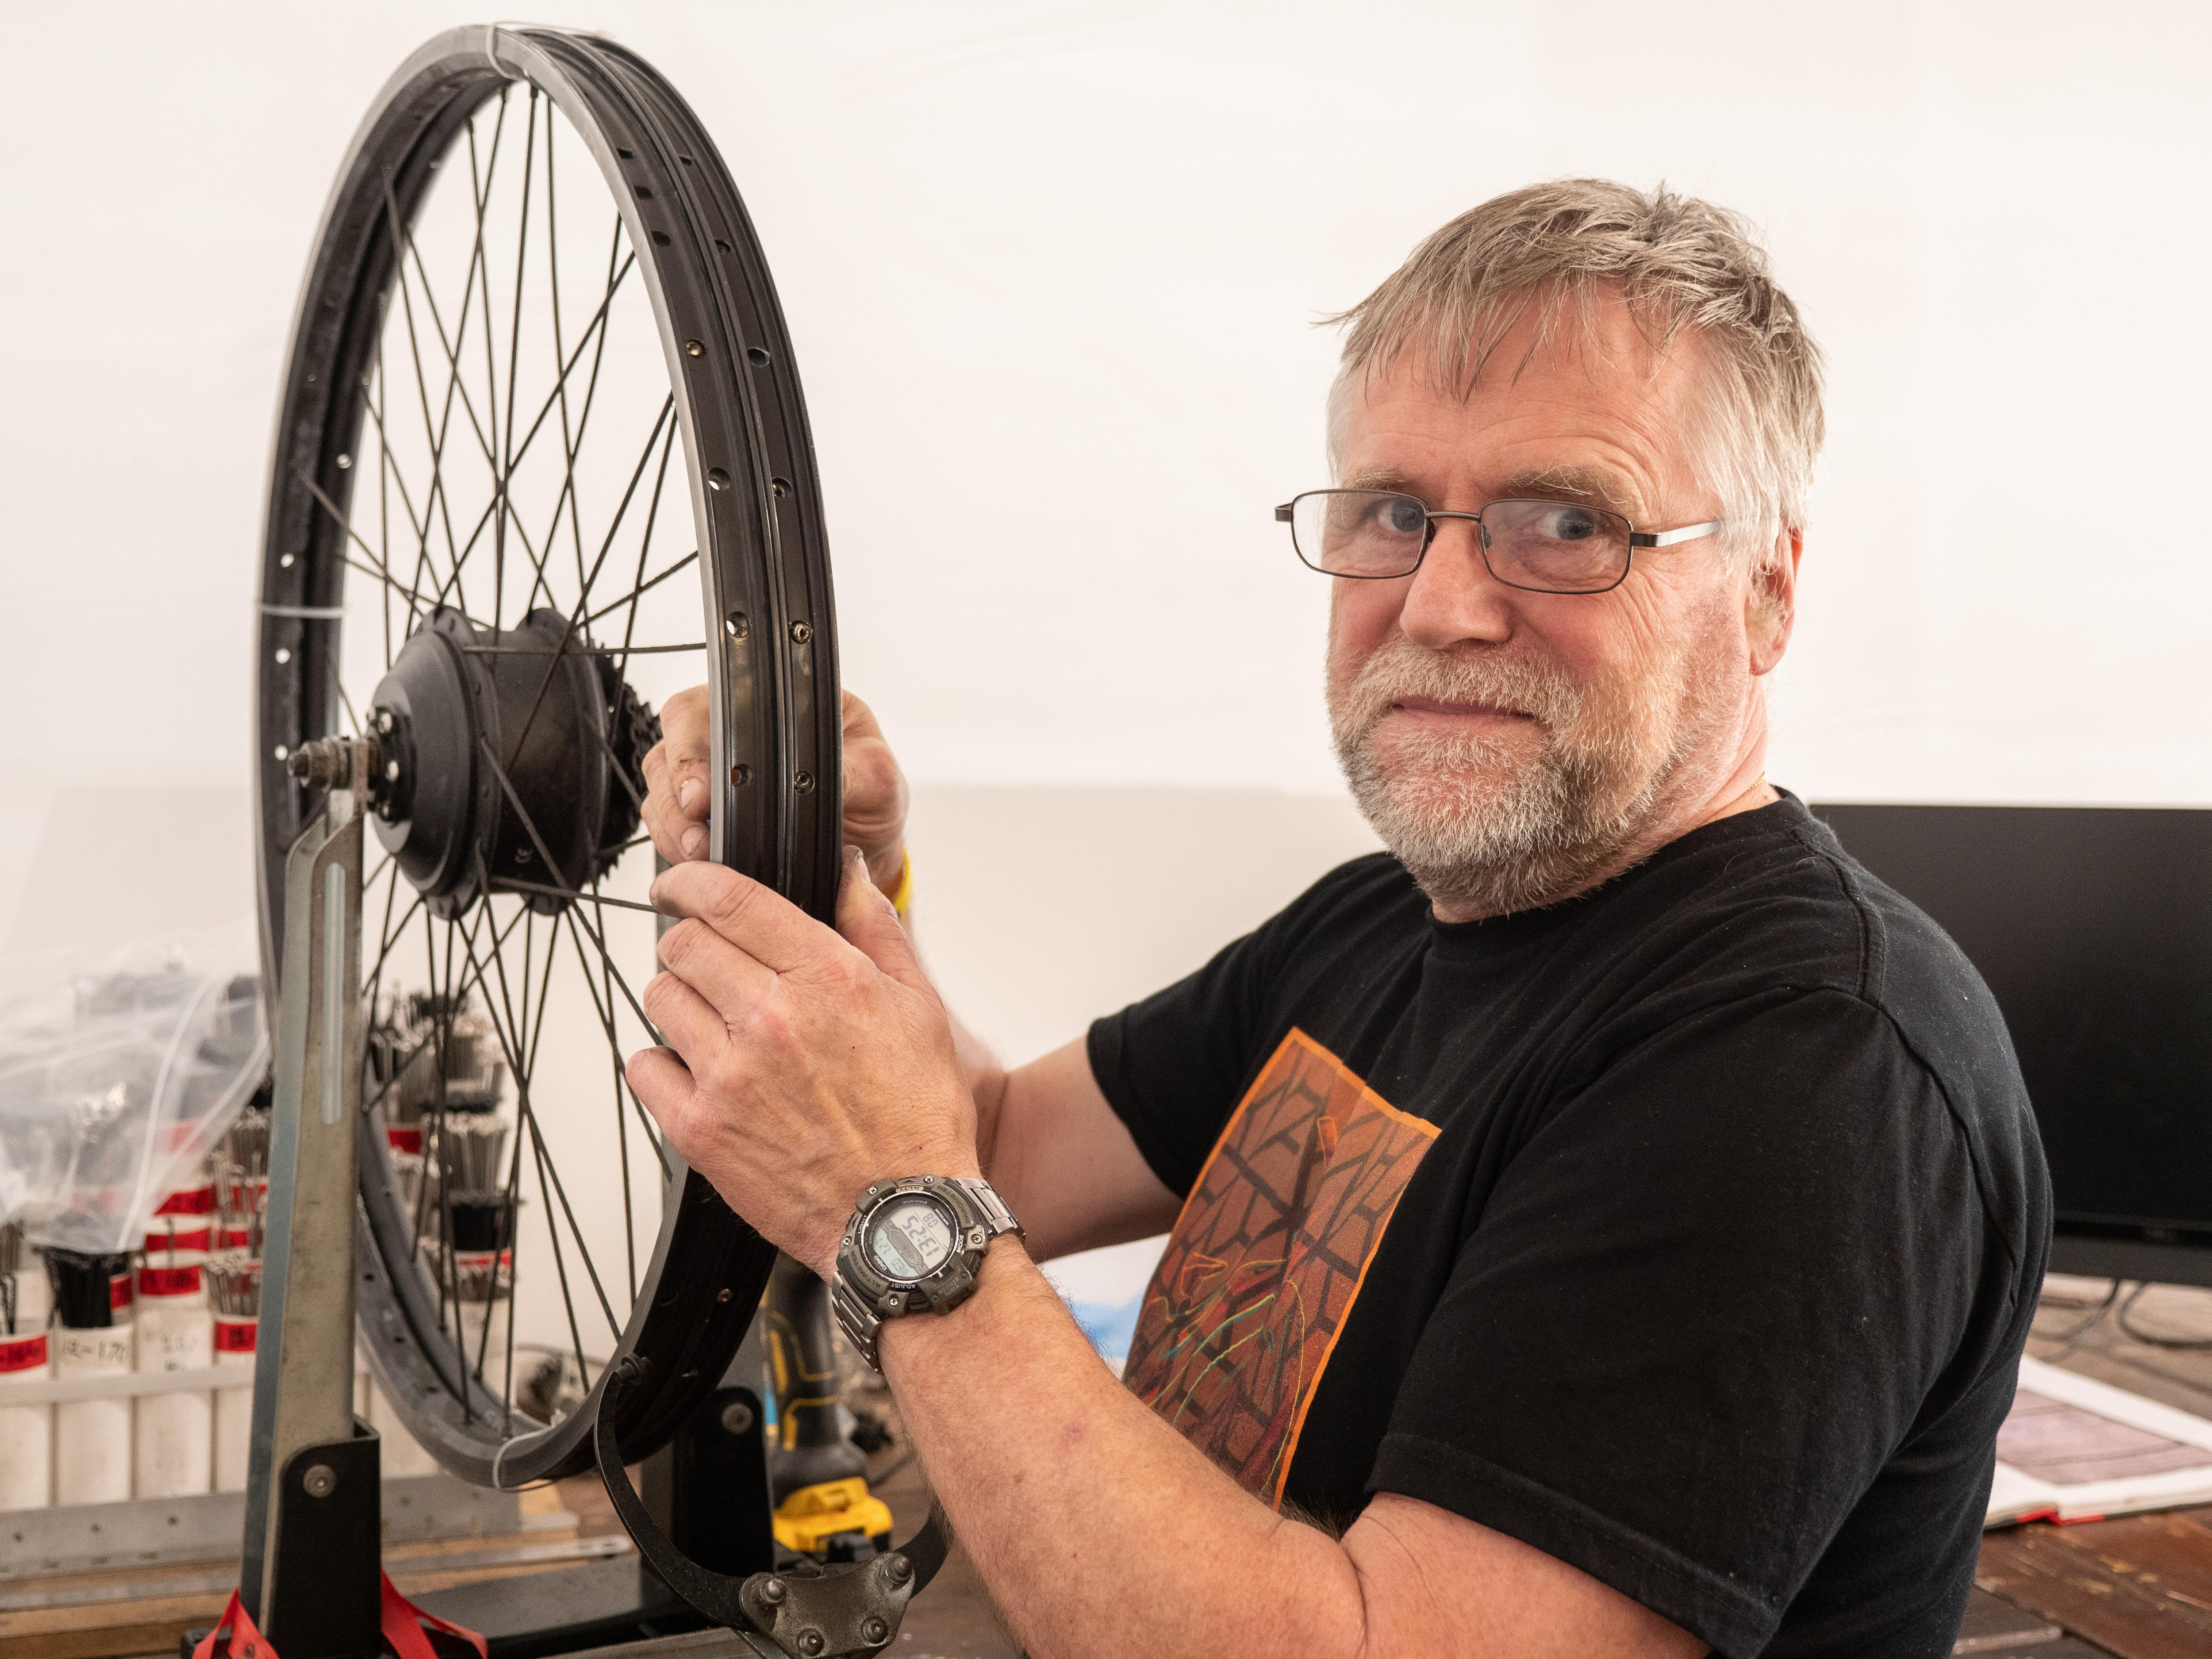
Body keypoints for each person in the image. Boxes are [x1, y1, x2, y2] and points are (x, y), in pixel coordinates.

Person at [629, 180, 2049, 1659]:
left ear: (1765, 593)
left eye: (1567, 522)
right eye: (1393, 515)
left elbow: (922, 1187)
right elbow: (986, 1153)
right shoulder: (1375, 927)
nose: (1439, 605)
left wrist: (890, 1212)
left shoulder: (1810, 1065)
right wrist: (851, 884)